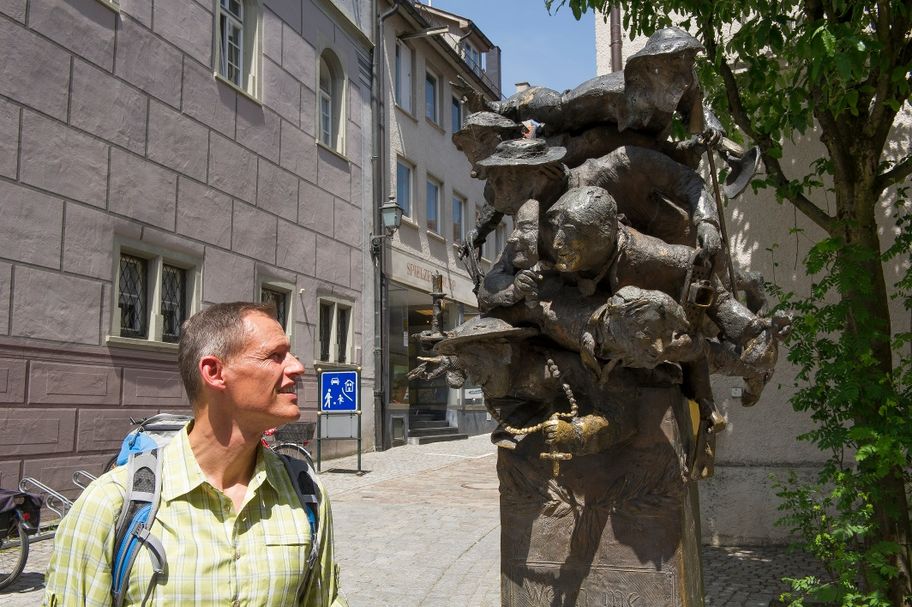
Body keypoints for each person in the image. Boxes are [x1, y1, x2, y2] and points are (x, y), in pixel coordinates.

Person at [44, 302, 346, 607]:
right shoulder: (110, 504)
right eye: (275, 356)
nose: (297, 367)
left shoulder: (306, 493)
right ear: (214, 372)